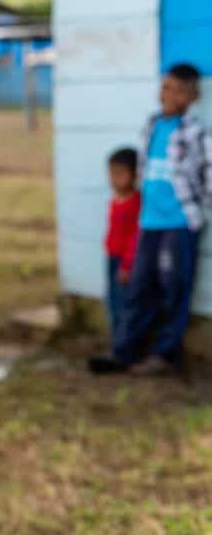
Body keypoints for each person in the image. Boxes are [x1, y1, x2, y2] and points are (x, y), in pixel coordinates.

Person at [90, 63, 210, 377]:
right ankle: (125, 351)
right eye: (166, 87)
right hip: (149, 221)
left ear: (192, 96)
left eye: (178, 90)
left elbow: (207, 173)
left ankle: (165, 354)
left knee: (174, 287)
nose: (169, 95)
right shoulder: (152, 125)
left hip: (179, 223)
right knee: (139, 287)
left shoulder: (196, 132)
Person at [103, 148, 140, 341]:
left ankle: (126, 342)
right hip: (112, 257)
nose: (115, 179)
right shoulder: (115, 201)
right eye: (112, 174)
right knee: (111, 300)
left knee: (123, 301)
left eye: (120, 174)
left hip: (126, 264)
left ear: (134, 174)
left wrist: (127, 265)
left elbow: (135, 237)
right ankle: (117, 339)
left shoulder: (135, 202)